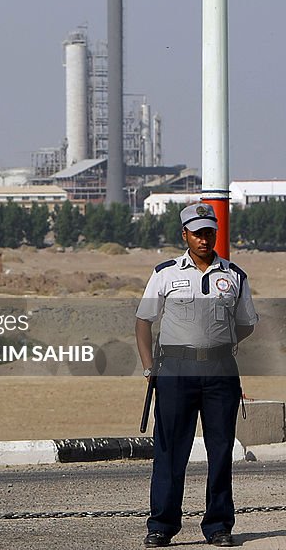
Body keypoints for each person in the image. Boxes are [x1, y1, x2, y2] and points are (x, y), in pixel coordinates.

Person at [135, 203, 258, 548]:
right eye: (197, 232)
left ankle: (219, 525)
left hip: (220, 371)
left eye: (209, 232)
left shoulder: (234, 276)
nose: (204, 239)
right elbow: (143, 321)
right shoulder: (165, 273)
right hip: (175, 371)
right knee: (171, 451)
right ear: (184, 234)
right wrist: (149, 367)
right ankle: (161, 525)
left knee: (220, 451)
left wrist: (219, 339)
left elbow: (247, 323)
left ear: (216, 233)